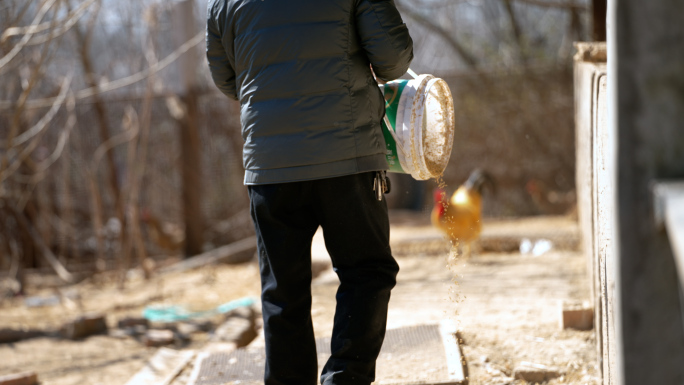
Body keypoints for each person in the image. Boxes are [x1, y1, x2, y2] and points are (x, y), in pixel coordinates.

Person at [206, 1, 413, 384]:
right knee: (366, 273)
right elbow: (393, 59)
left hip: (270, 165)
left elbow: (226, 79)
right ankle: (345, 378)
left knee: (283, 291)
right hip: (346, 159)